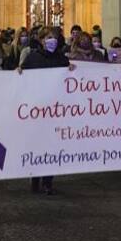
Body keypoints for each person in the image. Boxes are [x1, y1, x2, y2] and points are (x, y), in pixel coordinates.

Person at [20, 29, 73, 195]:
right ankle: (35, 179)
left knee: (52, 144)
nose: (53, 41)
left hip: (56, 108)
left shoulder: (61, 58)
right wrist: (19, 72)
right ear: (42, 40)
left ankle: (48, 181)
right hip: (38, 108)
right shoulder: (33, 58)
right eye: (49, 38)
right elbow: (22, 76)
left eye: (55, 38)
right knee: (38, 144)